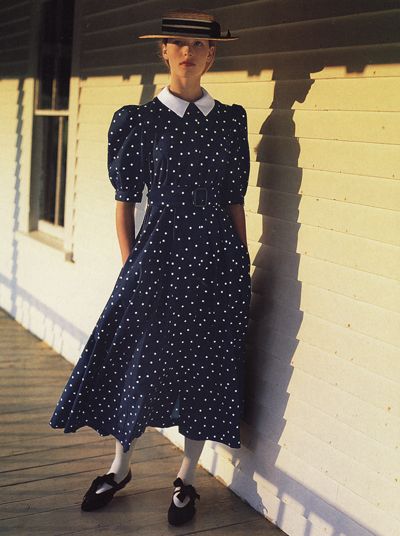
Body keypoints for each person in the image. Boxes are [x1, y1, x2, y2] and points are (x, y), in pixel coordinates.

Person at [48, 8, 251, 527]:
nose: (187, 52)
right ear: (163, 50)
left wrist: (239, 264)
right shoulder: (137, 121)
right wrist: (130, 265)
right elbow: (125, 201)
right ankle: (120, 466)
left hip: (215, 262)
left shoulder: (230, 121)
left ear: (213, 54)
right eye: (177, 43)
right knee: (141, 363)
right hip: (155, 261)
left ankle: (188, 477)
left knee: (206, 367)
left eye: (198, 45)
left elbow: (233, 201)